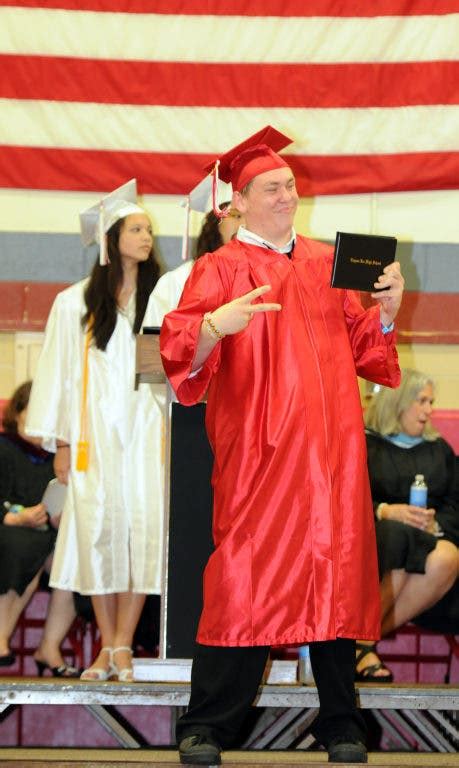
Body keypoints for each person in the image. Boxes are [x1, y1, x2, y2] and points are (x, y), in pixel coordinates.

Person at [159, 125, 405, 765]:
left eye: (290, 186)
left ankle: (342, 723)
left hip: (333, 455)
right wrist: (216, 324)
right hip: (261, 453)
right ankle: (208, 724)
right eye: (271, 188)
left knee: (335, 571)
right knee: (244, 574)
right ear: (238, 201)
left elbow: (368, 354)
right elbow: (179, 358)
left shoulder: (331, 262)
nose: (286, 196)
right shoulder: (218, 268)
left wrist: (387, 310)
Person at [26, 180, 164, 682]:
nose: (147, 236)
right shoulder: (74, 304)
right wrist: (60, 442)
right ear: (111, 238)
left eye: (149, 228)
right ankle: (108, 644)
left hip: (150, 438)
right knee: (100, 536)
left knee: (143, 536)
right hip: (93, 441)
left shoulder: (163, 299)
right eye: (136, 228)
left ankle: (123, 645)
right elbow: (58, 375)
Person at [355, 369, 459, 682]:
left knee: (448, 557)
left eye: (431, 401)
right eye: (422, 401)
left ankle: (358, 644)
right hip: (374, 550)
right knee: (398, 536)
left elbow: (455, 505)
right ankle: (359, 644)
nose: (430, 409)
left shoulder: (438, 450)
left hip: (428, 569)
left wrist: (434, 525)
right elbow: (345, 500)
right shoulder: (364, 445)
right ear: (397, 402)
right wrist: (386, 511)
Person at [0, 381, 79, 676]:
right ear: (18, 412)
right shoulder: (3, 448)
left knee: (73, 560)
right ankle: (0, 636)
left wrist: (59, 517)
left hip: (45, 536)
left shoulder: (57, 460)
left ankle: (49, 645)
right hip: (8, 530)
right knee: (24, 546)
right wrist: (17, 518)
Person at [148, 202, 244, 325]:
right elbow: (152, 339)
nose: (245, 224)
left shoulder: (259, 278)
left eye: (250, 217)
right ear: (214, 223)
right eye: (237, 216)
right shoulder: (177, 281)